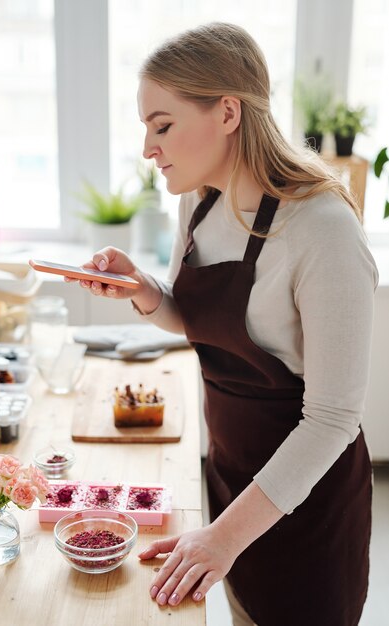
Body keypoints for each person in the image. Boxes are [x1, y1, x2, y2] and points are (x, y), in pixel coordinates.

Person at [70, 23, 378, 626]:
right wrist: (143, 290)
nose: (148, 149)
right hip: (229, 478)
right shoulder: (199, 199)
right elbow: (198, 322)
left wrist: (222, 537)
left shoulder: (322, 230)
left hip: (305, 506)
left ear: (229, 112)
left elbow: (333, 420)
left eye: (163, 125)